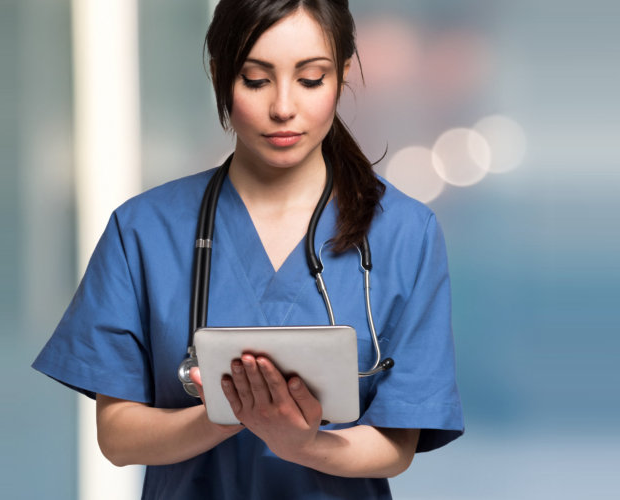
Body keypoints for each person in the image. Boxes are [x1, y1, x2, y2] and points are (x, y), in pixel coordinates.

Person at [31, 0, 462, 497]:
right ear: (220, 76)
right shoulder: (144, 230)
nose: (283, 107)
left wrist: (299, 442)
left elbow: (397, 442)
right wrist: (231, 414)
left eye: (311, 79)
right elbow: (118, 436)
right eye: (256, 80)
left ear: (343, 75)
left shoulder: (406, 233)